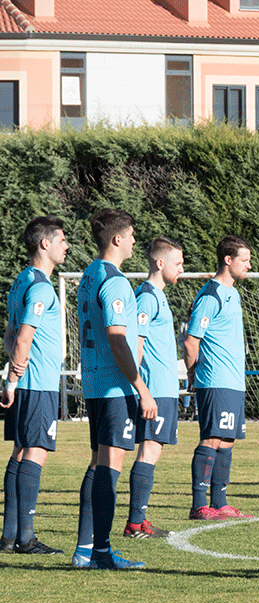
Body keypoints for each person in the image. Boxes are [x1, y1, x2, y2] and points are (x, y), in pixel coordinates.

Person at [71, 208, 158, 569]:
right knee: (110, 464)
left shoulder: (89, 275)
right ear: (117, 239)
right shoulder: (117, 280)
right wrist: (141, 387)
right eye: (132, 235)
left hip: (93, 382)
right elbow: (118, 339)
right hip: (112, 386)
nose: (136, 241)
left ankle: (84, 549)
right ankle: (101, 553)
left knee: (98, 463)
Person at [1, 216, 69, 556]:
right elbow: (23, 338)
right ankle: (25, 538)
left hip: (27, 382)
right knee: (36, 453)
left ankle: (9, 536)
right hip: (37, 383)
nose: (66, 246)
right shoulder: (41, 287)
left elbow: (9, 335)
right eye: (61, 240)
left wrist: (12, 379)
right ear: (45, 244)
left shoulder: (20, 282)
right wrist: (13, 380)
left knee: (19, 453)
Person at [183, 235, 254, 520]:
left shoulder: (233, 293)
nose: (249, 265)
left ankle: (220, 503)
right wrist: (192, 373)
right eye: (244, 260)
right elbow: (191, 341)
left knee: (227, 440)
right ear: (228, 260)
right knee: (212, 439)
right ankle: (200, 504)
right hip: (215, 379)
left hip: (234, 381)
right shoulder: (210, 295)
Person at [124, 237, 185, 538]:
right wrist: (142, 388)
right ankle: (135, 523)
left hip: (164, 389)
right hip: (155, 390)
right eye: (178, 263)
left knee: (154, 450)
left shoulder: (158, 296)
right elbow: (135, 345)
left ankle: (139, 520)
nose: (182, 269)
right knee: (148, 451)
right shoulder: (146, 297)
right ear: (160, 264)